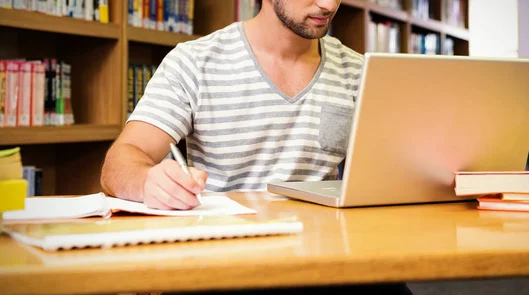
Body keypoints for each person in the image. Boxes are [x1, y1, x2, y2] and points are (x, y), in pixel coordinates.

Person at [101, 0, 412, 294]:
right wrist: (148, 182)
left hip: (326, 259)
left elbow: (396, 167)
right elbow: (120, 162)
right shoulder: (195, 61)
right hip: (227, 261)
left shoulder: (358, 71)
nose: (328, 5)